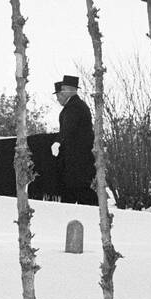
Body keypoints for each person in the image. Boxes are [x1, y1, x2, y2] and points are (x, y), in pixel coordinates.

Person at [54, 74, 97, 204]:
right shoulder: (75, 106)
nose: (58, 99)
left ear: (68, 90)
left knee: (80, 193)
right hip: (78, 162)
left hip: (78, 162)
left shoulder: (74, 107)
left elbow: (68, 128)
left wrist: (57, 141)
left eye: (60, 94)